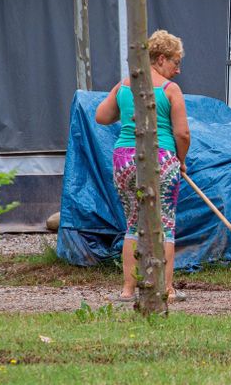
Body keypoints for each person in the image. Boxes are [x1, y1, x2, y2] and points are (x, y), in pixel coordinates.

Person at [95, 29, 190, 303]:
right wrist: (180, 162)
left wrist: (127, 110)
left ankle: (127, 290)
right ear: (160, 59)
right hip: (161, 159)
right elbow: (183, 134)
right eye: (175, 61)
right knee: (166, 225)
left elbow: (102, 116)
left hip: (124, 159)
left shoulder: (125, 85)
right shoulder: (171, 90)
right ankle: (167, 290)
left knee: (133, 225)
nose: (178, 69)